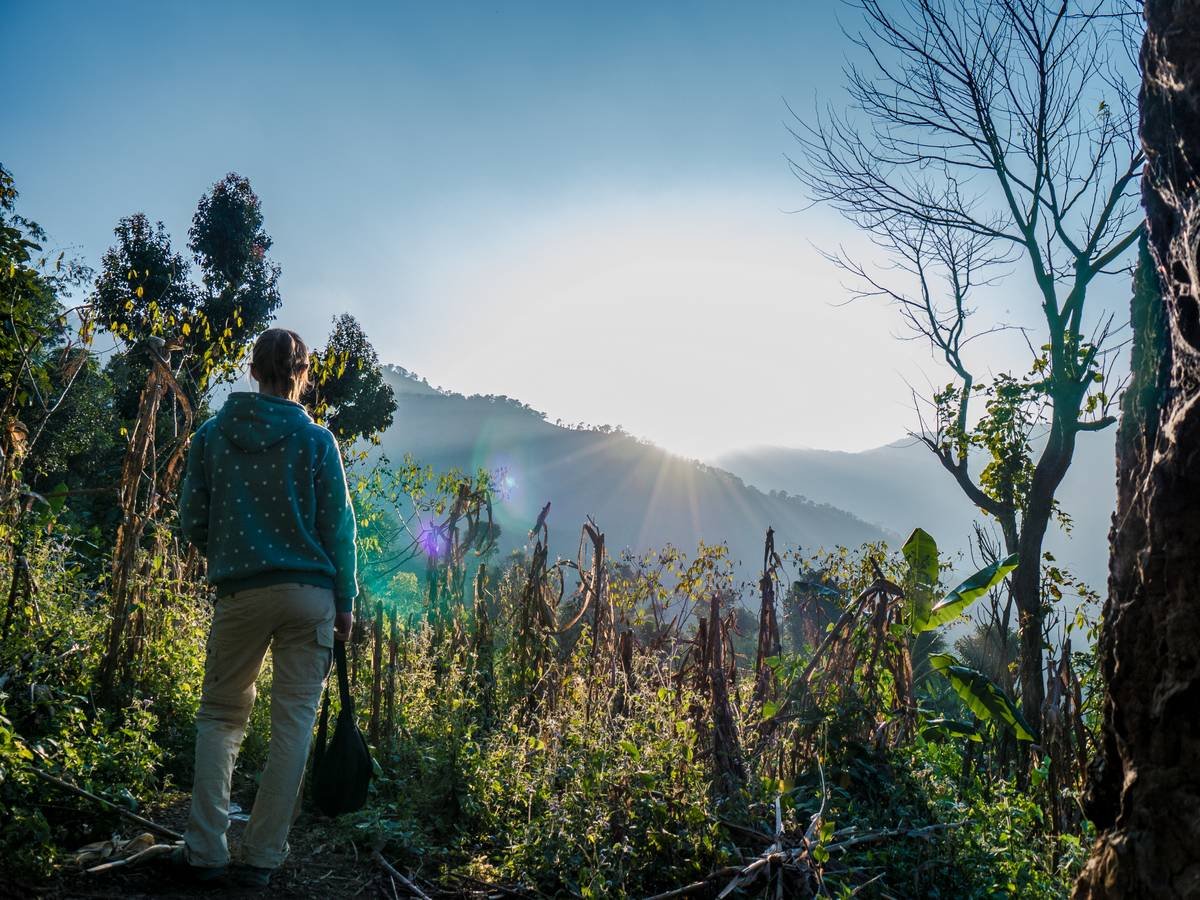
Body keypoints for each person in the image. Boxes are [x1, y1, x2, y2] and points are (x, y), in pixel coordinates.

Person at [171, 328, 358, 887]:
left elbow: (192, 522)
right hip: (310, 596)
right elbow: (338, 529)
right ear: (302, 375)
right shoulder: (318, 441)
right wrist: (344, 601)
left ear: (253, 372)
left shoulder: (211, 437)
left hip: (241, 592)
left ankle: (205, 852)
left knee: (221, 717)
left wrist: (233, 551)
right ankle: (261, 858)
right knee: (293, 724)